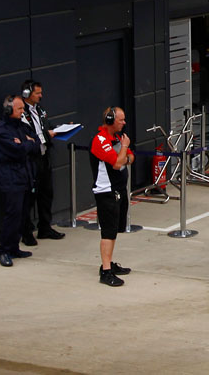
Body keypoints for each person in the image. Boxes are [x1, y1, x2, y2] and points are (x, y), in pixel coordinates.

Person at [0, 95, 39, 267]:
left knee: (21, 215)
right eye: (19, 109)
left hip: (24, 176)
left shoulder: (21, 126)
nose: (22, 112)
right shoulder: (0, 129)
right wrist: (26, 144)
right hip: (10, 179)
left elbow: (36, 142)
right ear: (9, 110)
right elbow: (16, 150)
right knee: (12, 215)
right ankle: (3, 250)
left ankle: (13, 247)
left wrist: (25, 143)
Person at [89, 106, 133, 286]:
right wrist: (123, 149)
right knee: (108, 231)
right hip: (106, 192)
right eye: (121, 120)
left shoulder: (117, 137)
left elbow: (129, 158)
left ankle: (109, 263)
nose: (124, 123)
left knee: (115, 229)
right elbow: (116, 163)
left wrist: (124, 154)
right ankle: (106, 271)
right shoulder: (100, 140)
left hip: (119, 189)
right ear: (109, 120)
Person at [20, 81, 63, 243]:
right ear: (27, 93)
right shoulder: (21, 112)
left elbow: (46, 127)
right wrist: (47, 135)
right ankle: (26, 232)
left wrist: (60, 129)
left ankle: (45, 227)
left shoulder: (40, 110)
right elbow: (28, 138)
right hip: (31, 159)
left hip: (44, 156)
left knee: (46, 193)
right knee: (29, 197)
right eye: (37, 93)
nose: (40, 96)